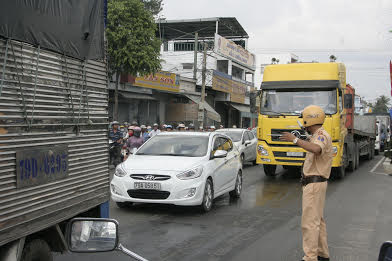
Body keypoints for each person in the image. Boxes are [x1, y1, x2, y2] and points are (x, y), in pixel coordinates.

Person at [280, 105, 332, 261]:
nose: (304, 125)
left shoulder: (321, 135)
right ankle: (322, 255)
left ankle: (310, 257)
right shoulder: (316, 135)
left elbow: (316, 149)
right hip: (316, 183)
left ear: (311, 120)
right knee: (318, 221)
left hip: (315, 183)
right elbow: (312, 144)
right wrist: (302, 138)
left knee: (309, 222)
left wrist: (295, 140)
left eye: (305, 122)